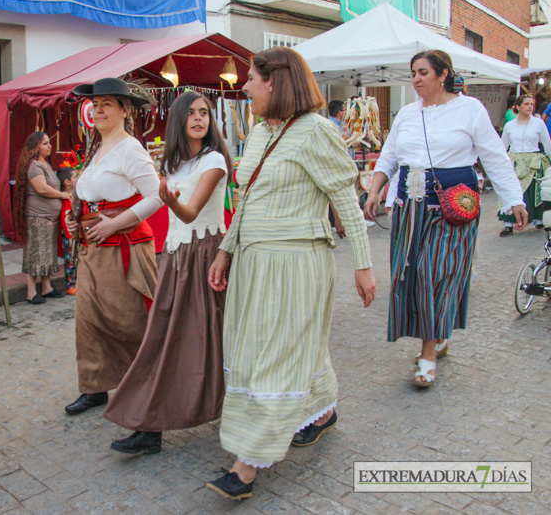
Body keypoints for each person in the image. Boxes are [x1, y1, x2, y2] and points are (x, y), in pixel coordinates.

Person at [206, 47, 376, 500]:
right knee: (286, 346)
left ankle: (246, 463)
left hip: (297, 263)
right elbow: (246, 201)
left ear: (275, 82)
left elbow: (346, 202)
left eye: (251, 78)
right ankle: (322, 411)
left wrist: (363, 265)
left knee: (273, 357)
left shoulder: (318, 132)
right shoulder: (261, 132)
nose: (244, 86)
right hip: (253, 262)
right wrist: (226, 251)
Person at [364, 50, 526, 388]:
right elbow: (390, 157)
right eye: (413, 73)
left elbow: (494, 157)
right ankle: (439, 334)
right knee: (410, 276)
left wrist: (513, 199)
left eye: (423, 72)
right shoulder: (407, 114)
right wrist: (375, 191)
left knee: (433, 275)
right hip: (411, 208)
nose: (417, 79)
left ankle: (428, 354)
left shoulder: (470, 110)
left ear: (443, 75)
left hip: (453, 210)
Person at [104, 91, 231, 454]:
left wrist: (170, 199)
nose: (199, 118)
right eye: (191, 113)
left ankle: (165, 422)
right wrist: (116, 222)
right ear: (177, 119)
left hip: (206, 258)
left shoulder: (215, 159)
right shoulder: (174, 164)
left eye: (204, 112)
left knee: (203, 340)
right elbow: (157, 203)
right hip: (175, 258)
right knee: (164, 340)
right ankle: (150, 424)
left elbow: (189, 212)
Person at [63, 78, 162, 415]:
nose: (98, 109)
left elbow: (156, 197)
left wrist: (114, 224)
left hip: (124, 247)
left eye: (107, 103)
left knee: (128, 320)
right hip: (93, 247)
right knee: (88, 319)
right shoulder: (97, 147)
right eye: (95, 104)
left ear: (124, 109)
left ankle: (149, 382)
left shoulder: (130, 148)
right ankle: (94, 386)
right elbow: (89, 196)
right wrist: (75, 221)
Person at [13, 132, 69, 303]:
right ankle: (31, 292)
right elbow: (42, 189)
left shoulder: (46, 164)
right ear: (35, 146)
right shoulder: (34, 166)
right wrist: (63, 195)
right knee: (35, 254)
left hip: (50, 217)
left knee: (48, 253)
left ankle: (47, 287)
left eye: (49, 143)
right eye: (45, 143)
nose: (50, 146)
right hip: (38, 217)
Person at [499, 95, 551, 235]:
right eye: (527, 104)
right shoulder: (510, 125)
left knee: (534, 192)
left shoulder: (538, 123)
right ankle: (508, 223)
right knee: (512, 190)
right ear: (517, 106)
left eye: (532, 105)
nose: (530, 107)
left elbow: (547, 143)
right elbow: (504, 145)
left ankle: (538, 220)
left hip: (533, 159)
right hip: (515, 160)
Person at [57, 167, 78, 295]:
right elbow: (66, 220)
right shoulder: (66, 199)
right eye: (75, 177)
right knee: (70, 260)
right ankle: (71, 285)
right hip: (69, 234)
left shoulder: (72, 196)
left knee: (75, 259)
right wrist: (70, 237)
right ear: (67, 182)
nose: (77, 179)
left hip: (74, 233)